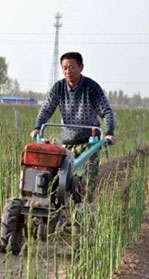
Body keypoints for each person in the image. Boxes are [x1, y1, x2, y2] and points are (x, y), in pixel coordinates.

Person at [29, 52, 115, 203]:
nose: (68, 71)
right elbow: (46, 109)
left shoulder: (91, 87)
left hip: (90, 143)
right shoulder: (59, 88)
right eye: (65, 68)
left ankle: (86, 211)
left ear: (81, 67)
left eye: (72, 67)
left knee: (89, 181)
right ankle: (59, 208)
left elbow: (106, 111)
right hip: (68, 141)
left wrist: (108, 133)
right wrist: (37, 127)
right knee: (58, 178)